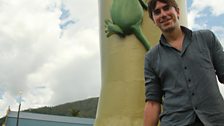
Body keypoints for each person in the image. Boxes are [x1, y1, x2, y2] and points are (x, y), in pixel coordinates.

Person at [144, 0, 224, 126]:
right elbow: (153, 103)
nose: (163, 14)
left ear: (178, 11)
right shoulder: (151, 58)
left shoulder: (207, 38)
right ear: (154, 20)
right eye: (157, 12)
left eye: (166, 8)